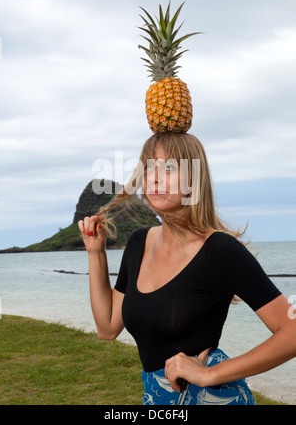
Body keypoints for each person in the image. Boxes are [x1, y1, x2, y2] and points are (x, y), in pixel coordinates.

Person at [78, 132, 296, 405]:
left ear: (194, 181)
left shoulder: (220, 250)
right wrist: (96, 254)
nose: (155, 177)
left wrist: (212, 374)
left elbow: (293, 332)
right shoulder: (138, 243)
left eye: (168, 168)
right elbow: (107, 327)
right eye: (148, 167)